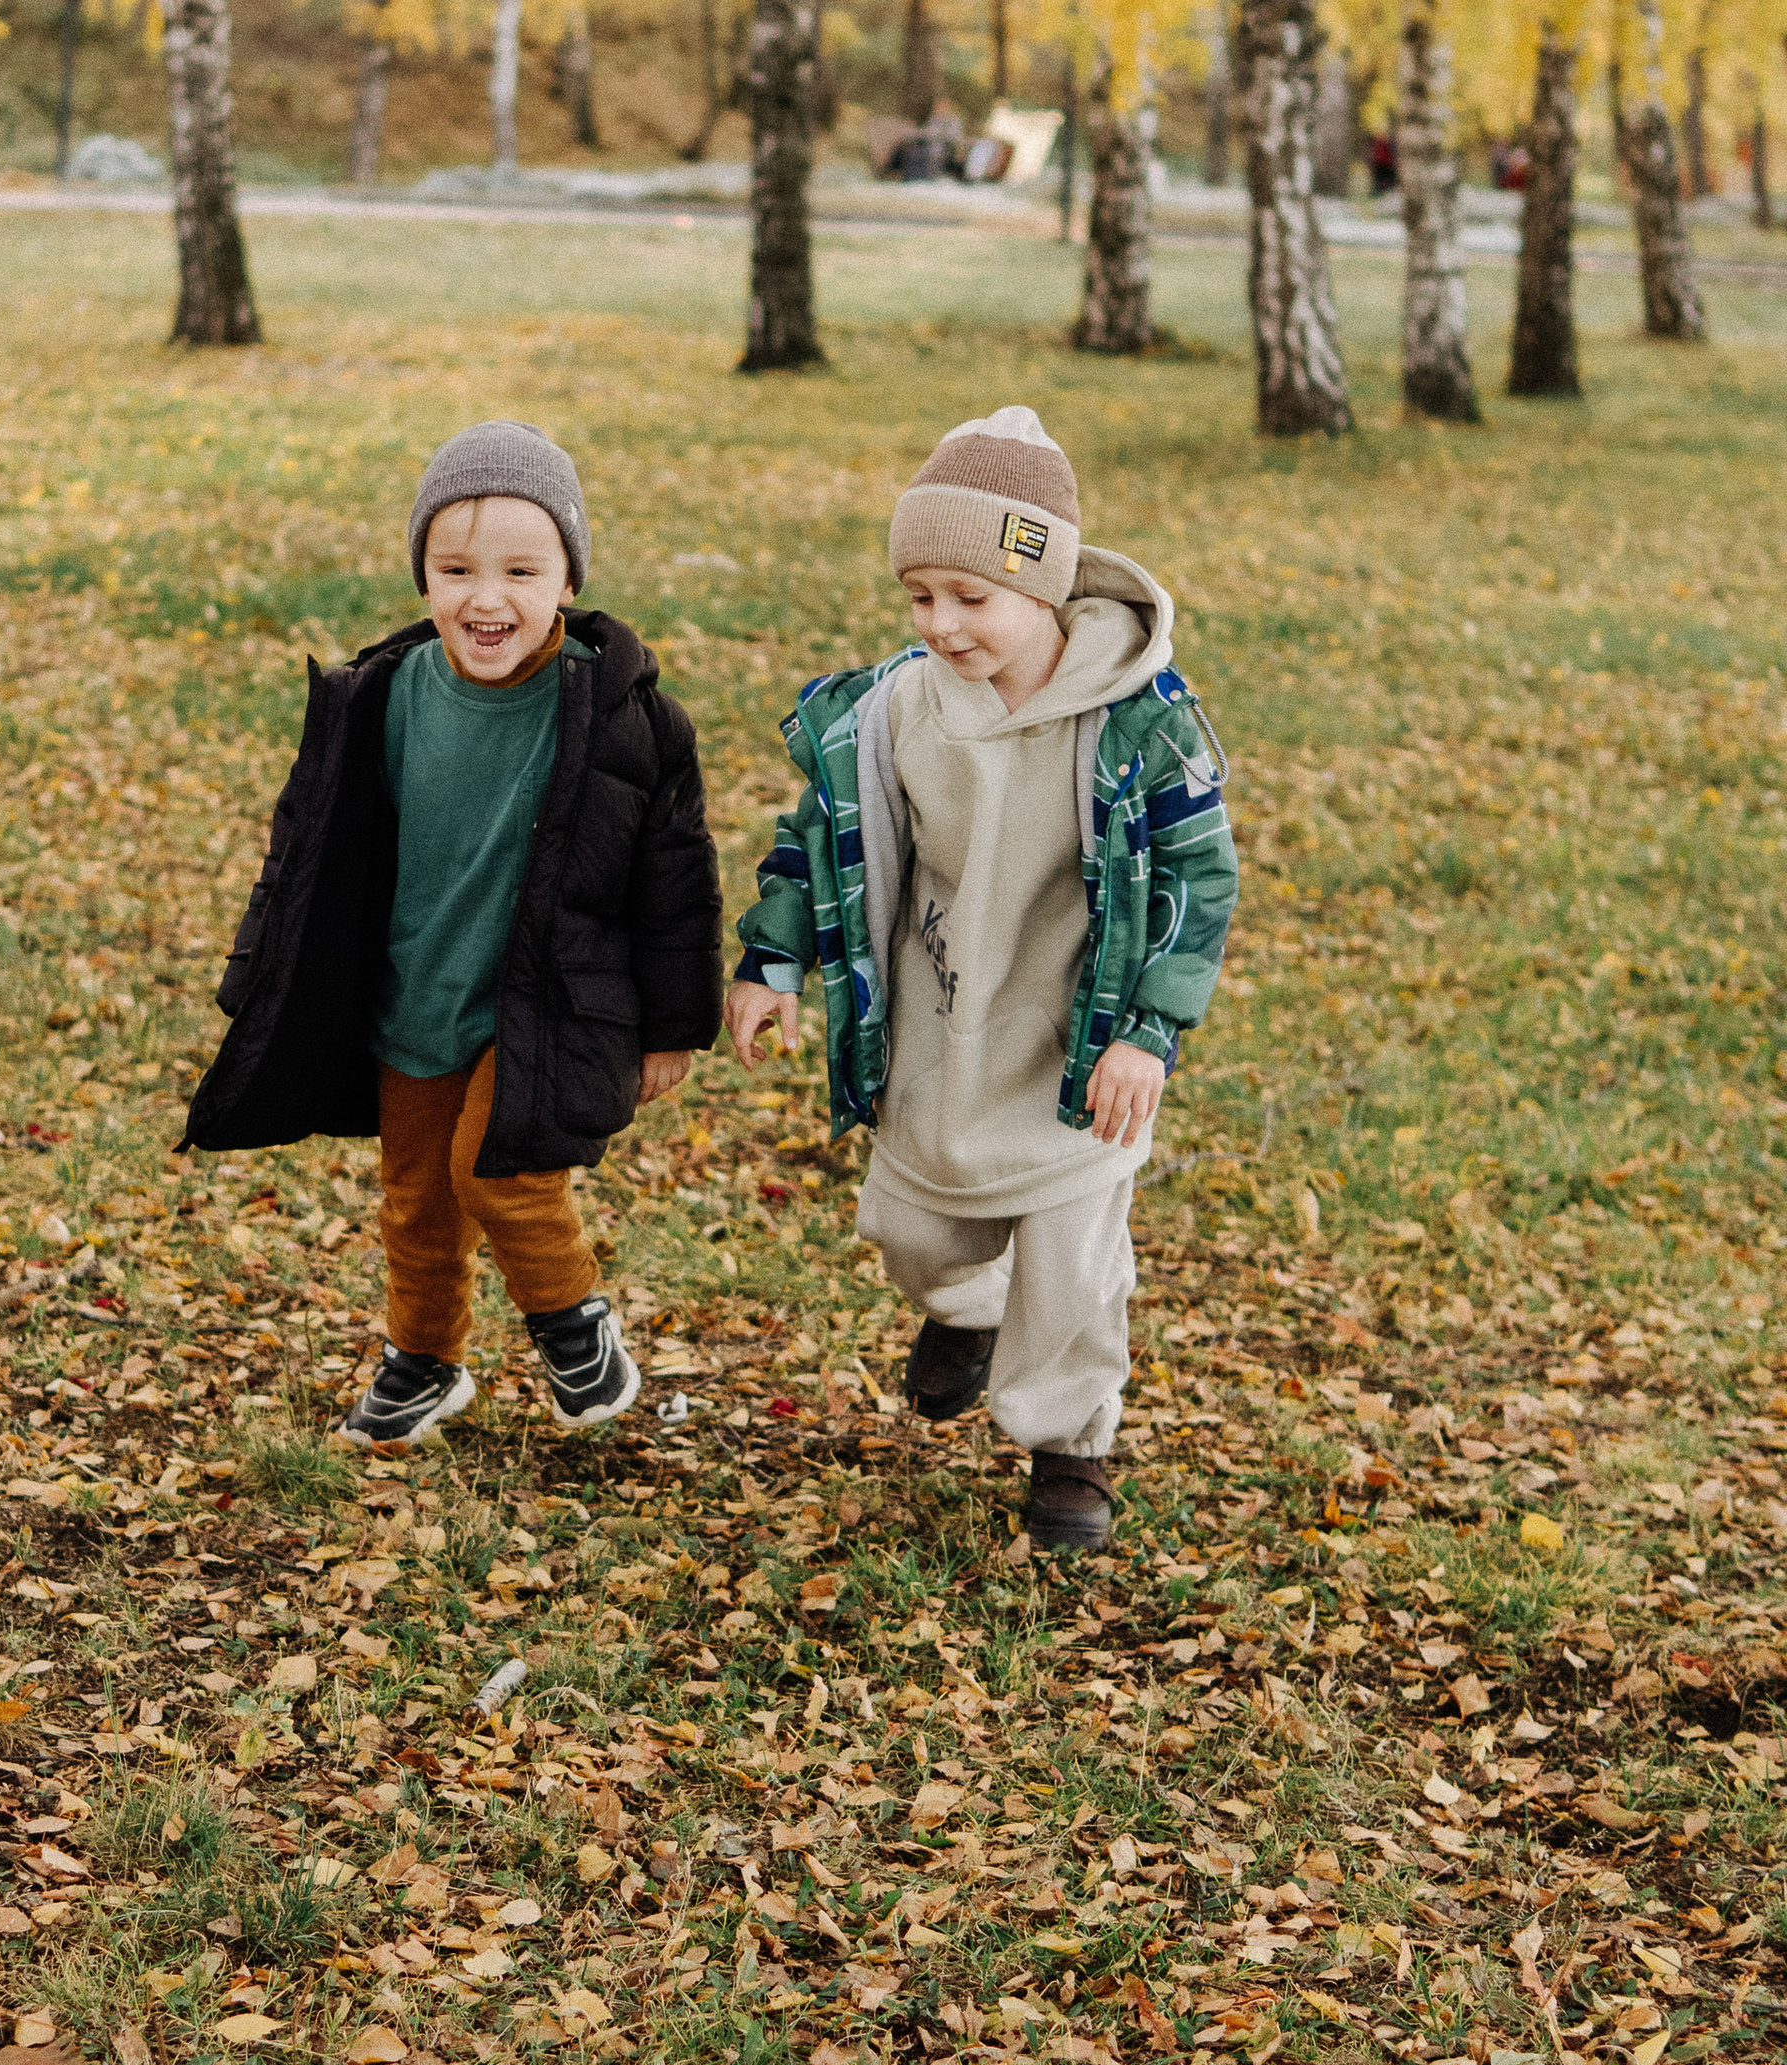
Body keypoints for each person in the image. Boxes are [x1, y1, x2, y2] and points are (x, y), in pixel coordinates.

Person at [724, 406, 1235, 1553]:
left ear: (1043, 588)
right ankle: (962, 1313)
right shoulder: (897, 711)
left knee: (1070, 1267)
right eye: (919, 596)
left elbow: (1197, 883)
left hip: (1074, 1045)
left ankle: (1070, 1446)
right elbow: (821, 834)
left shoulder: (1136, 722)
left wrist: (1147, 1034)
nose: (941, 625)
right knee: (915, 1229)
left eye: (972, 597)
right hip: (941, 1024)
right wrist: (773, 959)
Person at [183, 421, 723, 1447]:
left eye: (521, 568)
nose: (487, 598)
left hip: (548, 998)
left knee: (502, 1170)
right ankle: (423, 1361)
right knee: (416, 1199)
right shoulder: (377, 699)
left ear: (567, 576)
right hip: (413, 989)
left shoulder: (620, 716)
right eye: (455, 568)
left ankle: (573, 1324)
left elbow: (675, 884)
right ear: (423, 576)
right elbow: (304, 847)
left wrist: (672, 1027)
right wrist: (262, 971)